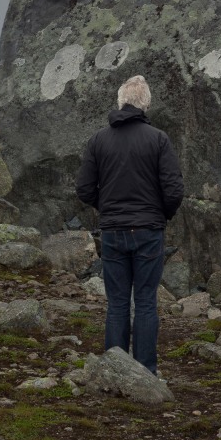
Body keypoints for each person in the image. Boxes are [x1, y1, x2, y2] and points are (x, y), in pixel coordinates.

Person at [75, 74, 184, 375]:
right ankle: (146, 372)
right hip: (149, 230)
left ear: (121, 101)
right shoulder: (158, 139)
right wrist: (160, 215)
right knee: (146, 301)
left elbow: (84, 189)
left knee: (118, 302)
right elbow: (174, 189)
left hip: (113, 231)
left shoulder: (98, 140)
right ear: (145, 104)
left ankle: (115, 368)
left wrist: (107, 208)